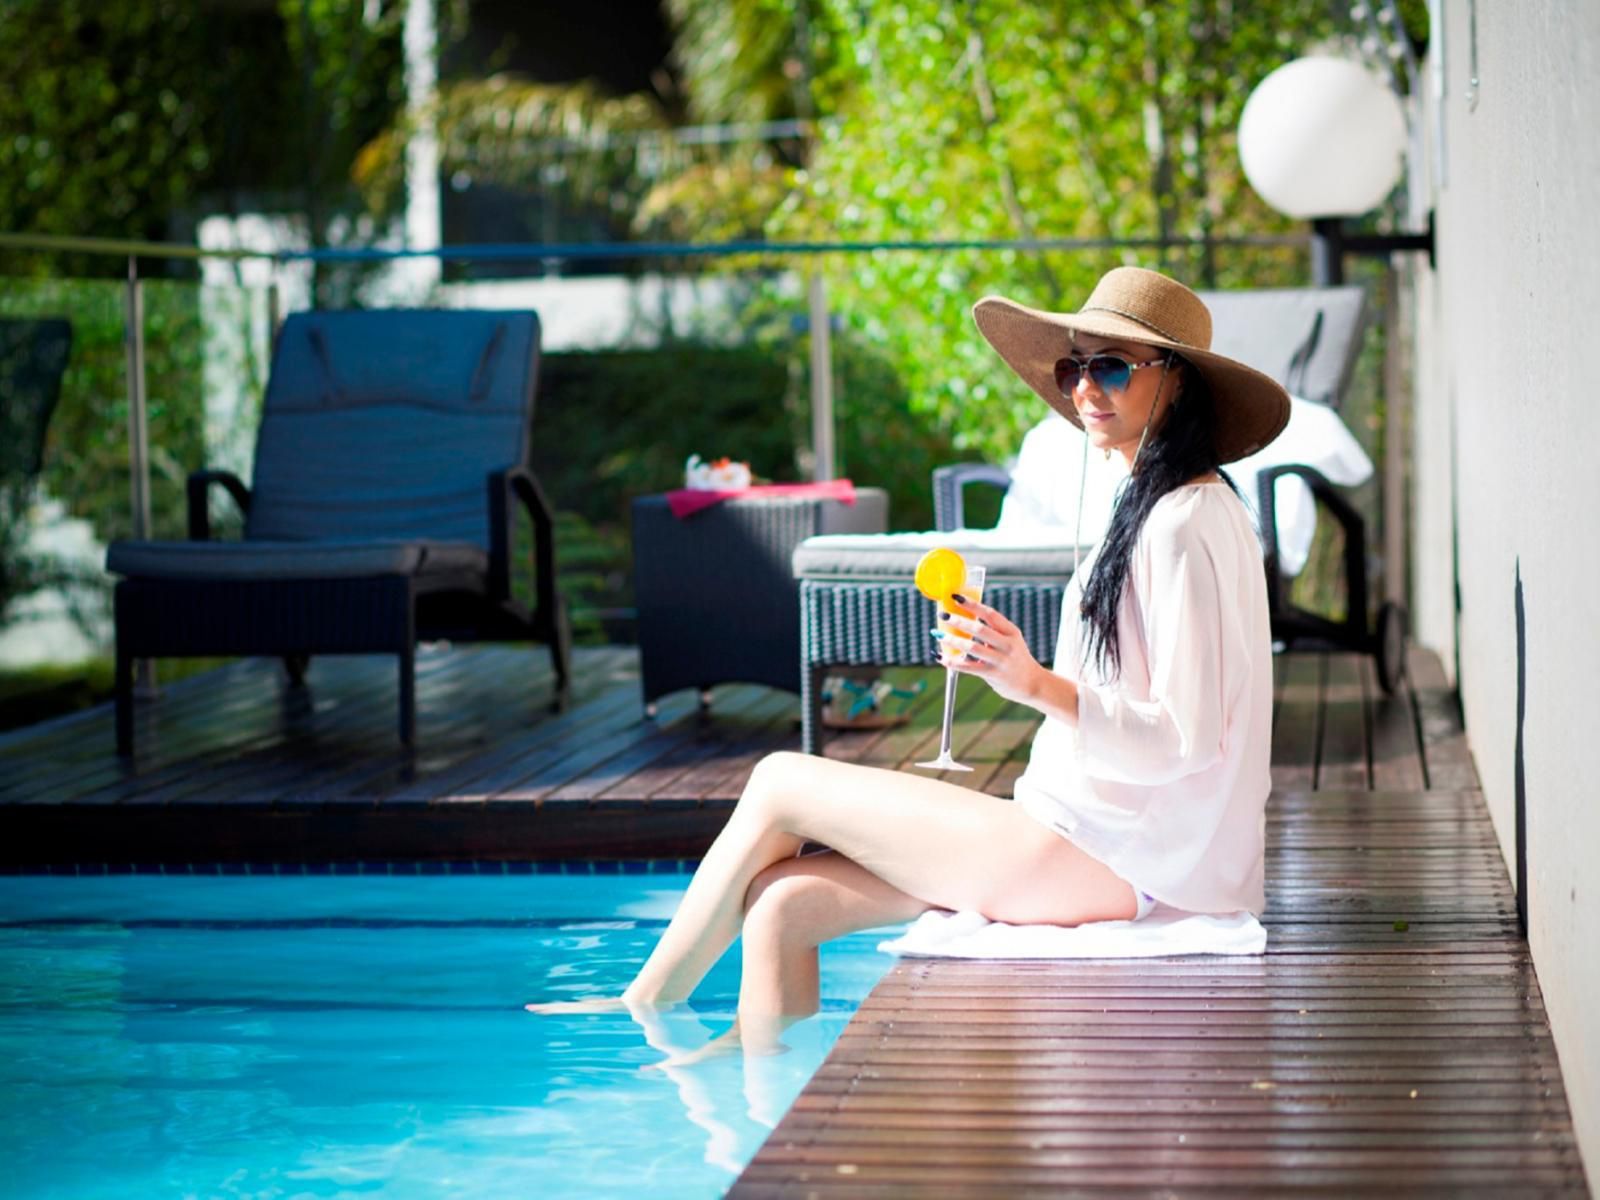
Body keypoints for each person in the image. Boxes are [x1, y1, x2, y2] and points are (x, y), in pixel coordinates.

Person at [528, 267, 1290, 1055]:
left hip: (1129, 860)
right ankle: (746, 1091)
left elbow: (1185, 739)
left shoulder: (1183, 523)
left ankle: (642, 1008)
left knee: (779, 781)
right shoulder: (1158, 507)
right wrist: (1019, 670)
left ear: (1180, 385)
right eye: (1075, 368)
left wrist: (1030, 684)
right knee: (782, 904)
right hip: (1104, 842)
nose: (1086, 389)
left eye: (1113, 367)